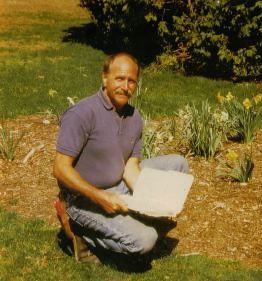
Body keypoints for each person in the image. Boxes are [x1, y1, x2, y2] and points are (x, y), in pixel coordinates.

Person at [53, 52, 189, 263]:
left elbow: (130, 168)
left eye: (131, 81)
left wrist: (157, 201)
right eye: (120, 78)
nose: (125, 86)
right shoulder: (82, 113)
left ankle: (143, 218)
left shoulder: (134, 117)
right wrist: (100, 197)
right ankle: (78, 232)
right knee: (145, 240)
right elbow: (60, 169)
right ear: (105, 78)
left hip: (119, 186)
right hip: (84, 199)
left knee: (177, 164)